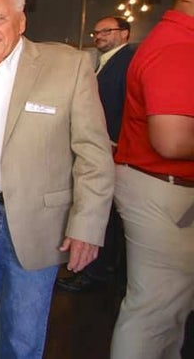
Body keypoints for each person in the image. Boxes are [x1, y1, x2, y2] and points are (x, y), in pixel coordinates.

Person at [0, 0, 114, 358]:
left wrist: (87, 225)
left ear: (21, 22)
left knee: (22, 329)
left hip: (35, 219)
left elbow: (93, 153)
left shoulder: (68, 66)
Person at [110, 0, 194, 359]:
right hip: (164, 191)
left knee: (169, 308)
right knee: (156, 310)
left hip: (160, 187)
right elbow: (173, 140)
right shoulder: (178, 45)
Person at [56, 15, 134, 292]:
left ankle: (97, 273)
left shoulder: (128, 61)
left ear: (124, 33)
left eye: (106, 31)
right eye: (96, 32)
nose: (99, 35)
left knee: (107, 213)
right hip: (104, 146)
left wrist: (117, 142)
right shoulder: (102, 63)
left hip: (114, 148)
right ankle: (93, 270)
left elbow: (127, 107)